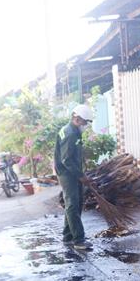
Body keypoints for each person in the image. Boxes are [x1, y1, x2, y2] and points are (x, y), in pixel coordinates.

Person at [55, 104, 94, 251]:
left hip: (71, 171)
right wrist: (80, 175)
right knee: (72, 204)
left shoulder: (73, 130)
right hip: (67, 173)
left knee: (74, 204)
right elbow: (66, 160)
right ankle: (78, 240)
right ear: (77, 119)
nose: (86, 125)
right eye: (85, 122)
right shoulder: (70, 133)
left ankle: (68, 236)